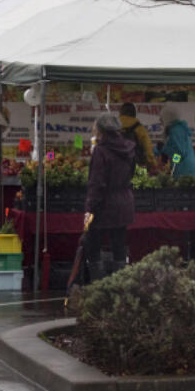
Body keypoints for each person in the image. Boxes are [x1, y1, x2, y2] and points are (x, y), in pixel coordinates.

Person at [85, 113, 136, 280]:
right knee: (119, 245)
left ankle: (97, 285)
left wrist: (90, 209)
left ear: (100, 130)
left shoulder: (101, 151)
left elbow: (96, 183)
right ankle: (119, 284)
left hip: (104, 204)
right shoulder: (129, 148)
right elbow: (131, 173)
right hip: (124, 201)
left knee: (94, 244)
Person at [159, 106, 195, 178]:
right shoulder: (176, 129)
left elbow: (179, 154)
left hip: (188, 172)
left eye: (162, 117)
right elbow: (176, 152)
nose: (160, 120)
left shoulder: (176, 131)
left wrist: (164, 149)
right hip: (187, 171)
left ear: (168, 117)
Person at [118, 103, 156, 169]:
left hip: (115, 166)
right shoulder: (140, 129)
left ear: (120, 113)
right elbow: (148, 151)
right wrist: (153, 165)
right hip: (135, 167)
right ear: (134, 114)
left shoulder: (113, 127)